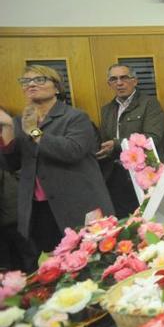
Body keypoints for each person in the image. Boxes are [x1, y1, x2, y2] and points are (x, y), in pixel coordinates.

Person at [0, 65, 113, 253]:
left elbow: (72, 152)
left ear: (57, 87)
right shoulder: (20, 121)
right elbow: (12, 165)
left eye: (39, 79)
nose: (31, 84)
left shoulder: (75, 117)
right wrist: (8, 138)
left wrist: (35, 132)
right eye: (26, 81)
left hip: (76, 204)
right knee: (51, 267)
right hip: (38, 208)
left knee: (88, 260)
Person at [97, 64, 164, 218]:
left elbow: (152, 138)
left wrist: (117, 144)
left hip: (143, 173)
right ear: (109, 84)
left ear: (134, 81)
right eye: (114, 79)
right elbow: (104, 139)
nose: (119, 83)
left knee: (150, 220)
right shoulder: (106, 110)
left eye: (124, 77)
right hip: (116, 176)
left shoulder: (149, 104)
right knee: (126, 223)